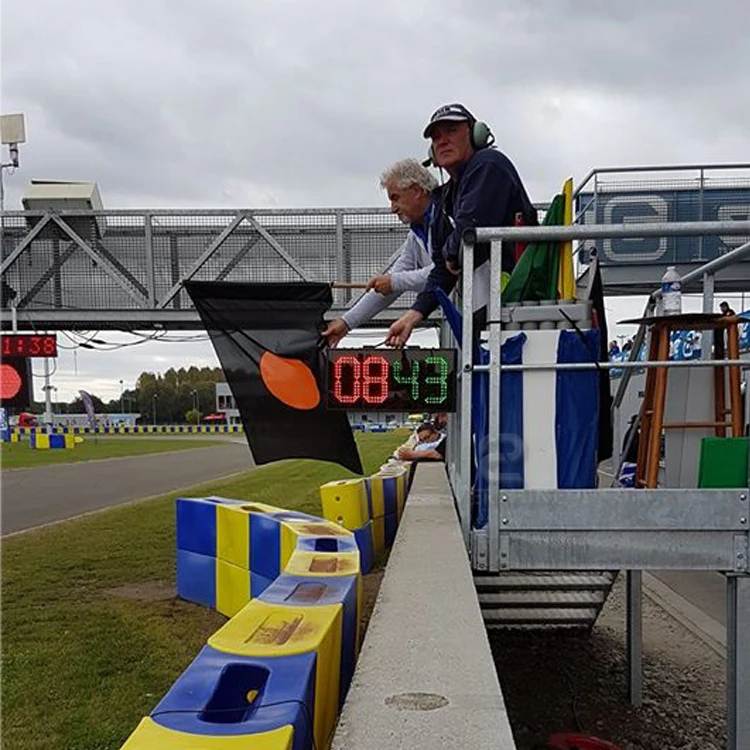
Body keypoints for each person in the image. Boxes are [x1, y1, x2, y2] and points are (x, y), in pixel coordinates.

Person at [386, 103, 537, 347]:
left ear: (475, 134)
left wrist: (452, 253)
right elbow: (443, 267)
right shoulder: (446, 197)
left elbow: (468, 230)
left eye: (451, 130)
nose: (442, 140)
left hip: (520, 309)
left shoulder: (488, 164)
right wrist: (413, 316)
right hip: (496, 314)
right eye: (436, 136)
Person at [322, 159, 437, 347]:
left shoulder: (447, 217)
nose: (392, 208)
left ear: (417, 191)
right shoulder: (416, 233)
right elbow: (395, 282)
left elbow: (444, 273)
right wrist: (346, 322)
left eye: (395, 198)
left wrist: (394, 282)